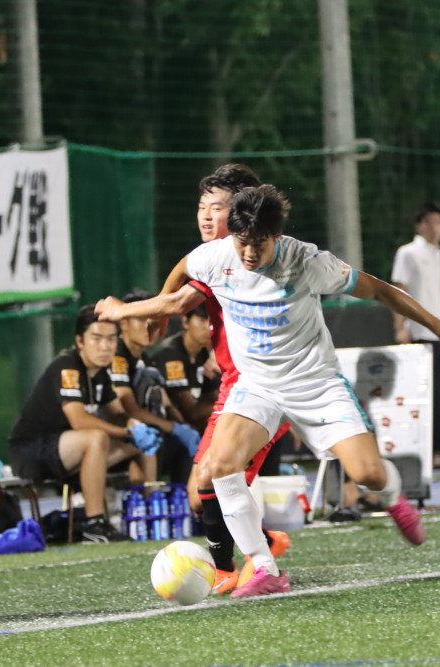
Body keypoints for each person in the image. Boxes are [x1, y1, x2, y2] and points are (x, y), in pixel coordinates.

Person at [97, 184, 440, 597]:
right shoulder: (218, 256)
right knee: (218, 466)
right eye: (241, 242)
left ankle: (392, 495)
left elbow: (381, 290)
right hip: (258, 386)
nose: (248, 253)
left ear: (277, 237)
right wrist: (131, 310)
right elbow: (180, 280)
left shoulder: (307, 261)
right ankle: (265, 569)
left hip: (316, 383)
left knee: (366, 473)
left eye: (258, 244)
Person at [104, 164, 292, 594]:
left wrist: (125, 310)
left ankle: (242, 566)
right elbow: (183, 281)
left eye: (218, 207)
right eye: (202, 207)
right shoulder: (218, 256)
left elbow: (178, 300)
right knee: (204, 489)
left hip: (262, 388)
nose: (207, 216)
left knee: (209, 480)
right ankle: (258, 550)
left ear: (242, 213)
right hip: (237, 384)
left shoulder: (236, 257)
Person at [8, 305, 161, 543]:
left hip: (69, 452)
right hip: (31, 452)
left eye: (111, 339)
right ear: (80, 341)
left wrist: (137, 427)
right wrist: (126, 431)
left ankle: (152, 512)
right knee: (96, 438)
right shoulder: (67, 366)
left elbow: (118, 413)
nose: (105, 346)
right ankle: (94, 523)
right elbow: (79, 421)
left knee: (142, 442)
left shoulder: (100, 372)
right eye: (97, 338)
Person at [110, 289, 202, 484]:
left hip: (151, 432)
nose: (150, 327)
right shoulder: (116, 355)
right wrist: (173, 427)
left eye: (154, 320)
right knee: (150, 441)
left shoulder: (146, 360)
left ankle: (185, 500)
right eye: (143, 320)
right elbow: (128, 408)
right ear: (123, 322)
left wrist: (184, 428)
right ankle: (148, 500)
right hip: (122, 434)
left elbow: (166, 404)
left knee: (188, 446)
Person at [391, 201, 440, 469]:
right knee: (422, 397)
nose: (434, 228)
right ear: (418, 225)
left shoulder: (437, 254)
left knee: (436, 396)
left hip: (439, 334)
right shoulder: (408, 253)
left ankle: (436, 452)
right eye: (428, 222)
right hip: (418, 334)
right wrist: (400, 327)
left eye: (438, 222)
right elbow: (398, 291)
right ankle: (426, 454)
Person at [150, 301, 218, 431]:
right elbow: (189, 412)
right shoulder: (171, 354)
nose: (209, 327)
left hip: (190, 426)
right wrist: (229, 408)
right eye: (202, 319)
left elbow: (213, 397)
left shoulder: (204, 354)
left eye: (213, 321)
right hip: (165, 428)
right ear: (185, 322)